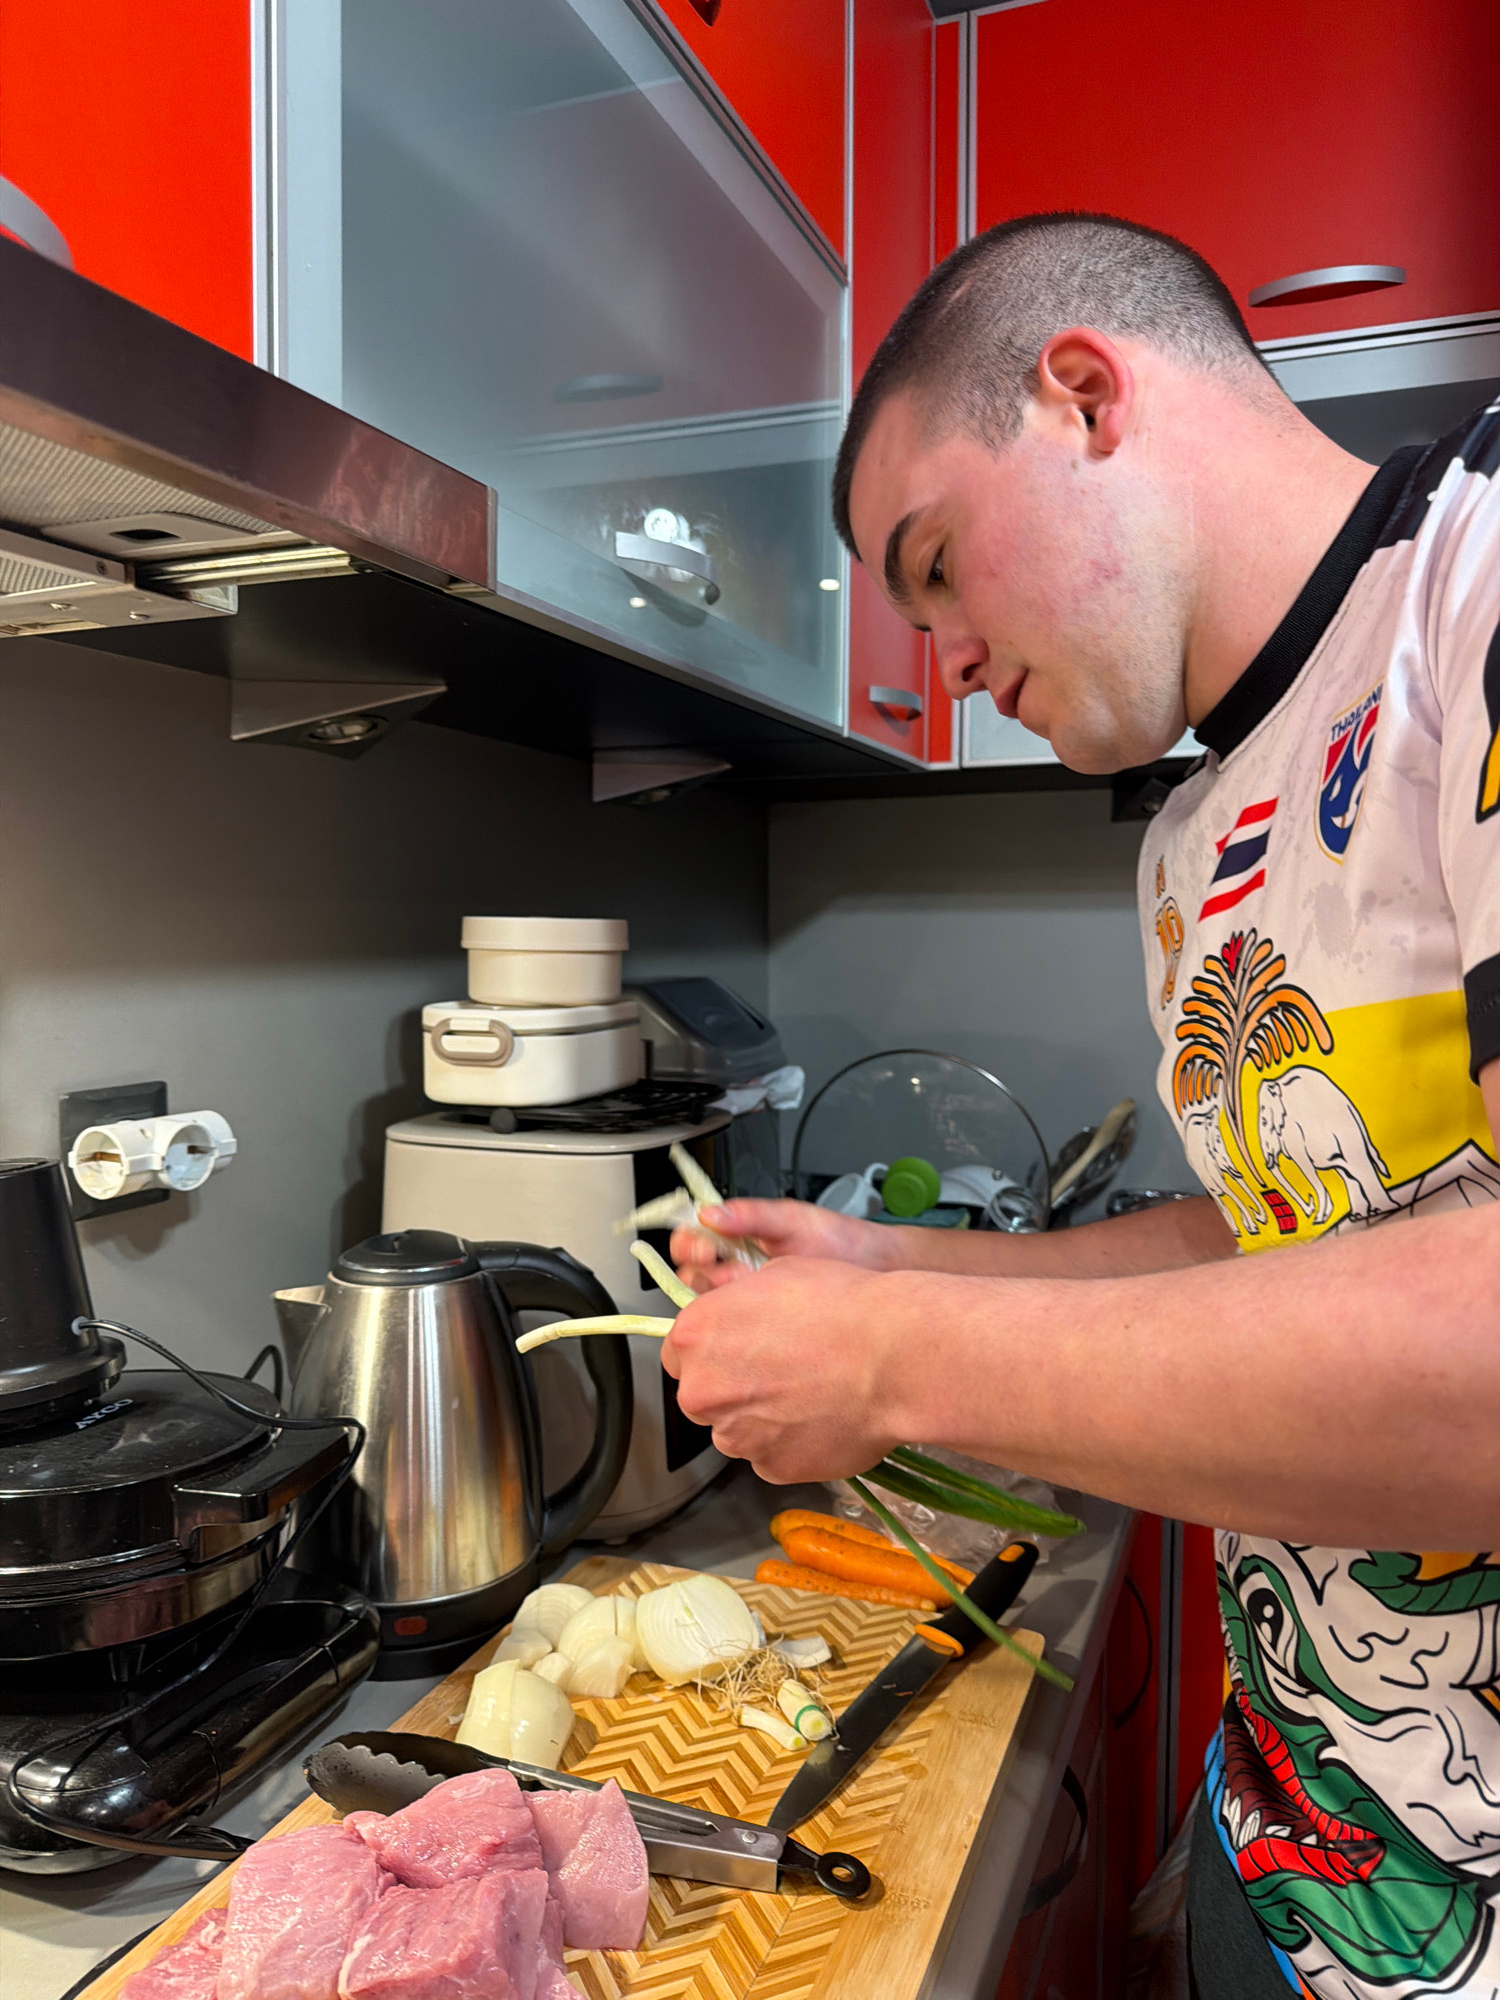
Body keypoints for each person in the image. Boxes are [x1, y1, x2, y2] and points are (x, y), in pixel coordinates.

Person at [660, 215, 1500, 1998]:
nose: (949, 659)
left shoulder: (1476, 583)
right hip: (1292, 1853)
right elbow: (1282, 1241)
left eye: (938, 565)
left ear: (1083, 395)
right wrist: (894, 1269)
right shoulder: (1192, 840)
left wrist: (895, 1365)